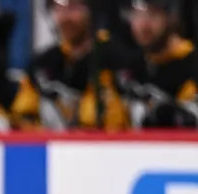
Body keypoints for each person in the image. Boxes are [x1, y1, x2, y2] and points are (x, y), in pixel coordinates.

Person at [10, 0, 141, 130]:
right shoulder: (42, 64)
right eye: (59, 8)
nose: (65, 17)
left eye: (73, 7)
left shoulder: (119, 61)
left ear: (91, 11)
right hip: (53, 142)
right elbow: (21, 120)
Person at [124, 0, 198, 129]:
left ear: (171, 17)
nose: (143, 25)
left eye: (152, 15)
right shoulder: (132, 65)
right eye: (137, 15)